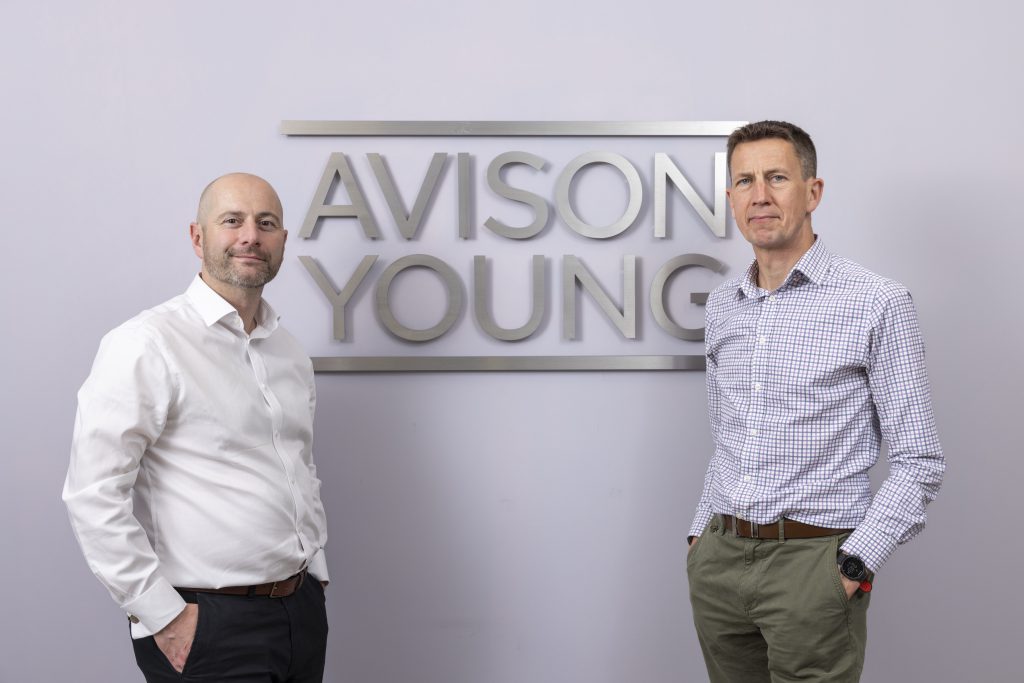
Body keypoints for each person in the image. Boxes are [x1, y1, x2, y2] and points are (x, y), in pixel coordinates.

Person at [686, 121, 944, 683]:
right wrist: (699, 537)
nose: (760, 195)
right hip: (721, 562)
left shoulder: (877, 302)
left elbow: (920, 461)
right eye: (744, 181)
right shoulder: (723, 305)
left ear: (813, 191)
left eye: (777, 177)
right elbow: (728, 438)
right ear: (730, 197)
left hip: (814, 563)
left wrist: (852, 565)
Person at [63, 173, 330, 682]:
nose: (251, 235)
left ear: (282, 243)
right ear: (198, 237)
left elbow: (296, 464)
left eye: (266, 223)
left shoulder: (289, 353)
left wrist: (314, 572)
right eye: (232, 220)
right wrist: (164, 616)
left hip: (299, 613)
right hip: (207, 624)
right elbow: (93, 494)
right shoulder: (147, 342)